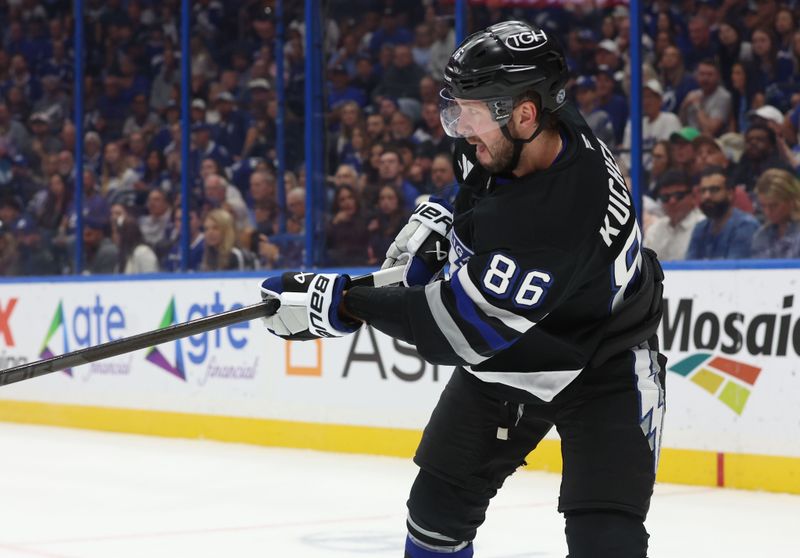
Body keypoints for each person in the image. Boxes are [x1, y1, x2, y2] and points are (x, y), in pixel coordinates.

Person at [258, 21, 666, 558]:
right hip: (519, 348)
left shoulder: (560, 214)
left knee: (606, 537)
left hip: (605, 362)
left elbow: (460, 327)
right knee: (435, 515)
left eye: (472, 114)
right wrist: (450, 218)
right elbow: (481, 190)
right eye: (457, 109)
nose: (460, 129)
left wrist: (344, 302)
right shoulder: (538, 127)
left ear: (524, 113)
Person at [686, 166, 759, 260]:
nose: (707, 196)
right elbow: (689, 268)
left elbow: (733, 270)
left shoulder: (745, 225)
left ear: (730, 193)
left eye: (714, 190)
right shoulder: (701, 228)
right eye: (703, 191)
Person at [644, 169, 705, 261]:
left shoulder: (703, 226)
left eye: (679, 195)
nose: (672, 201)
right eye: (665, 198)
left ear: (693, 197)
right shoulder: (655, 229)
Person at [750, 168, 800, 258]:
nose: (767, 212)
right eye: (763, 206)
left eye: (774, 205)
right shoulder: (761, 235)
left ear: (791, 201)